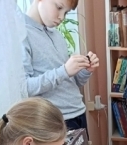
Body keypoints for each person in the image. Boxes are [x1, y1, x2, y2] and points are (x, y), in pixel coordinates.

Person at [23, 0, 99, 132]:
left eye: (66, 12)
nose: (62, 17)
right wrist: (64, 71)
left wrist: (86, 71)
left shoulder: (56, 34)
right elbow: (25, 88)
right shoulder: (22, 35)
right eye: (59, 8)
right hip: (53, 121)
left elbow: (71, 82)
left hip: (78, 112)